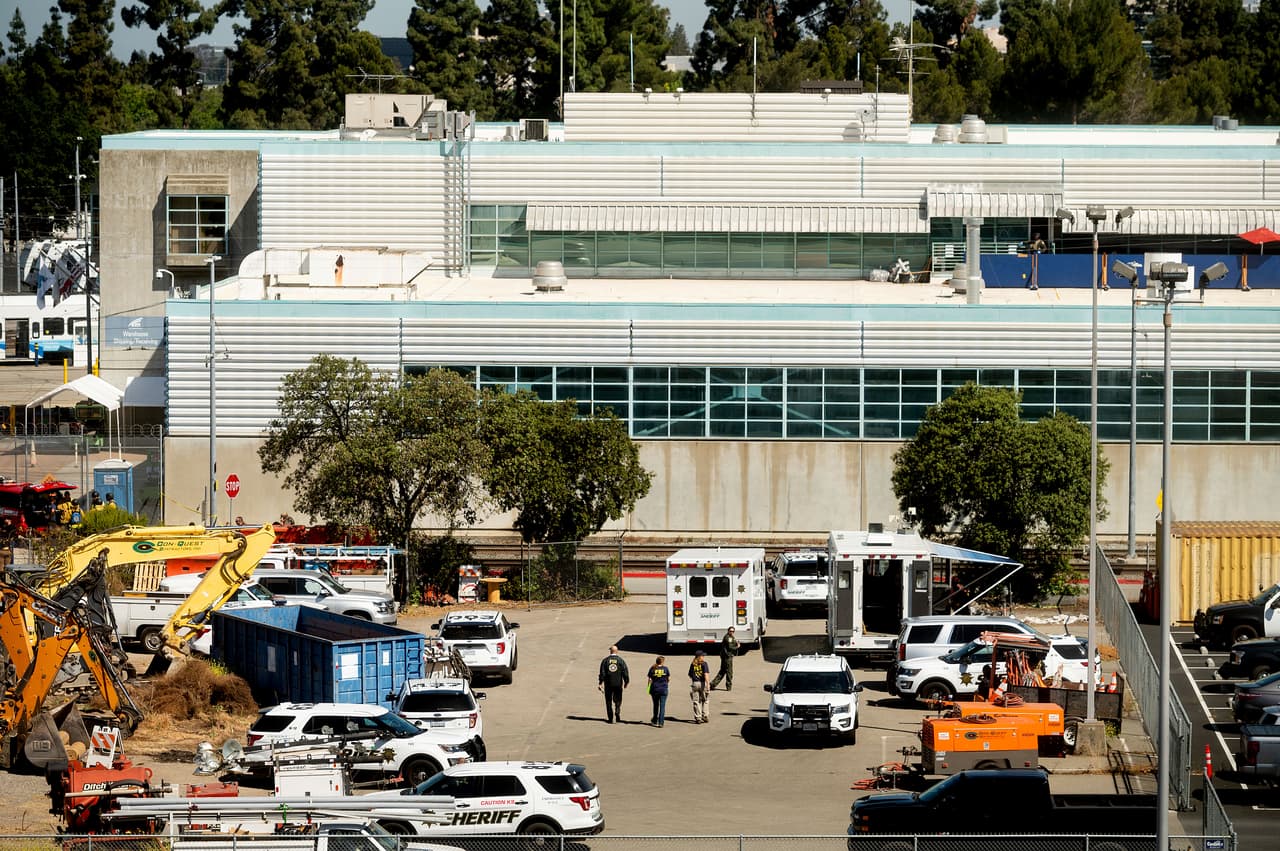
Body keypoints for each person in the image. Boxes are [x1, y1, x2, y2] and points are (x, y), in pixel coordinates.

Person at [598, 645, 630, 724]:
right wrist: (626, 682)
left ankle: (610, 718)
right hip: (618, 684)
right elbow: (625, 672)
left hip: (608, 684)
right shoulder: (620, 661)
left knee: (608, 701)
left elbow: (602, 673)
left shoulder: (605, 661)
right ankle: (617, 711)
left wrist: (600, 683)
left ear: (610, 651)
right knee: (618, 699)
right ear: (617, 651)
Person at [710, 627, 739, 691]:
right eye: (731, 631)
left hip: (726, 656)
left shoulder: (731, 637)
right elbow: (730, 647)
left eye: (733, 631)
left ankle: (712, 684)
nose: (732, 632)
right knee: (729, 672)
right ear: (728, 631)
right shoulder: (728, 638)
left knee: (722, 671)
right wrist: (737, 646)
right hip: (727, 657)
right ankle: (728, 686)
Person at [646, 656, 671, 727]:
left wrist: (648, 689)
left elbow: (650, 680)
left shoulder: (652, 668)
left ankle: (654, 720)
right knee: (662, 706)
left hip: (655, 689)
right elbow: (668, 679)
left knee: (656, 705)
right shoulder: (665, 669)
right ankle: (661, 722)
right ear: (662, 662)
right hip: (663, 689)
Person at [688, 649, 710, 723]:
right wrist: (708, 684)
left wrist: (694, 678)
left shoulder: (693, 664)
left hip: (695, 683)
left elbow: (690, 674)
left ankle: (698, 717)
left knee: (696, 701)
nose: (704, 657)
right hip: (703, 683)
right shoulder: (704, 664)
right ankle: (705, 715)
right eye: (703, 656)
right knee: (705, 699)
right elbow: (706, 674)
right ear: (699, 656)